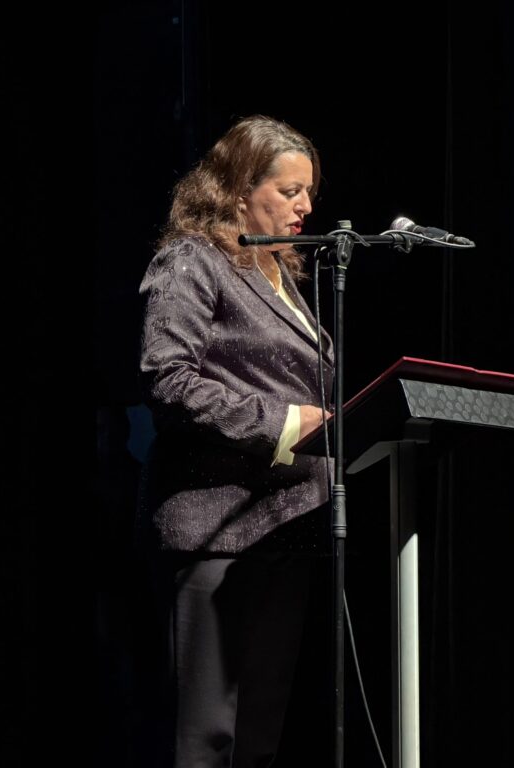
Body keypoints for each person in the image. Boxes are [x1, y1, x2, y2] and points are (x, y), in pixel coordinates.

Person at [137, 114, 333, 768]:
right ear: (239, 190)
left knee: (257, 738)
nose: (306, 207)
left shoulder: (282, 277)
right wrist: (281, 423)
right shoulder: (193, 261)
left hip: (287, 526)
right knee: (206, 739)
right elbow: (168, 379)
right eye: (290, 191)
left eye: (309, 192)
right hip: (216, 527)